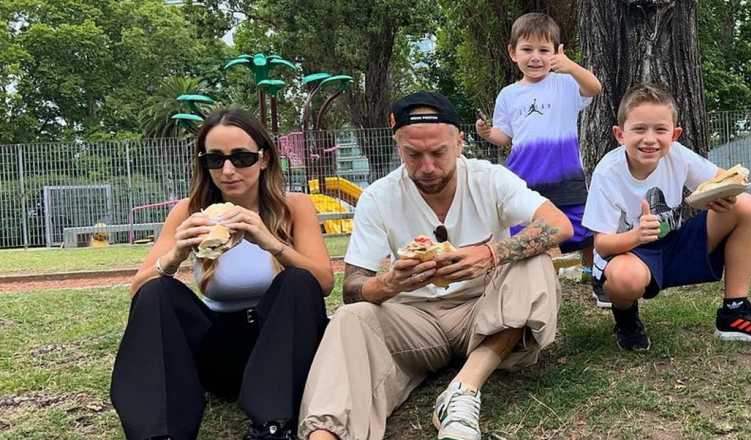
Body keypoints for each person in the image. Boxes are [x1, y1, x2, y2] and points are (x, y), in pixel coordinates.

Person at [299, 92, 571, 440]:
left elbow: (558, 225)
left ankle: (462, 391)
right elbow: (352, 287)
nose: (427, 167)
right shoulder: (379, 196)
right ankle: (326, 433)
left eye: (438, 152)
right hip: (414, 319)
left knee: (533, 260)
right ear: (398, 147)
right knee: (349, 319)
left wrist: (490, 254)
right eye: (413, 155)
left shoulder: (490, 178)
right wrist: (388, 285)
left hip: (484, 312)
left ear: (459, 143)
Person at [110, 108, 335, 440]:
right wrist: (175, 255)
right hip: (218, 351)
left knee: (298, 280)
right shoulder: (189, 211)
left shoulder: (295, 206)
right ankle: (160, 433)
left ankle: (273, 427)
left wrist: (270, 242)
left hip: (281, 349)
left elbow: (324, 283)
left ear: (264, 159)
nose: (228, 170)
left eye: (241, 158)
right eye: (215, 159)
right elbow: (139, 292)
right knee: (157, 291)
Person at [582, 83, 751, 351]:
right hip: (630, 251)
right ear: (620, 134)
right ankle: (625, 317)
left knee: (745, 205)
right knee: (626, 279)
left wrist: (724, 191)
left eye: (660, 129)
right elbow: (602, 244)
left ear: (674, 135)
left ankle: (735, 310)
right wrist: (636, 235)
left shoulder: (677, 154)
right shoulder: (607, 173)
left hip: (674, 243)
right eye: (639, 129)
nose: (650, 139)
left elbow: (724, 177)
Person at [474, 12, 605, 306]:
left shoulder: (566, 84)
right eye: (527, 49)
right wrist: (486, 133)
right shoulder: (508, 95)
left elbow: (595, 88)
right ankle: (528, 286)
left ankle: (595, 273)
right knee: (527, 236)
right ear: (512, 53)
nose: (536, 57)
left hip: (566, 174)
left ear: (557, 52)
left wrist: (571, 67)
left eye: (544, 50)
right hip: (524, 178)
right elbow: (504, 136)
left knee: (587, 229)